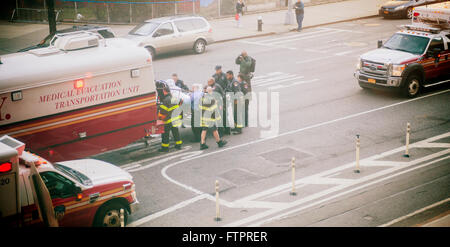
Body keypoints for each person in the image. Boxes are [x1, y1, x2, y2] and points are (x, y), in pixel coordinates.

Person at [158, 86, 183, 152]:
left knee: (165, 134)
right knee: (175, 132)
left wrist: (160, 118)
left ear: (164, 91)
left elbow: (163, 111)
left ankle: (165, 148)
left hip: (168, 120)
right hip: (175, 119)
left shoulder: (166, 100)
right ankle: (178, 145)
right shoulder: (174, 98)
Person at [235, 51, 253, 127]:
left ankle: (245, 122)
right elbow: (236, 62)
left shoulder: (248, 59)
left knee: (245, 109)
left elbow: (248, 65)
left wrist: (242, 60)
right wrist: (238, 57)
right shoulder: (240, 83)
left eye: (243, 54)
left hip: (246, 95)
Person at [213, 65, 229, 135]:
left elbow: (227, 85)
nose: (217, 71)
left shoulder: (225, 75)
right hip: (217, 97)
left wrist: (224, 92)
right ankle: (222, 130)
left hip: (223, 96)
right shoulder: (214, 76)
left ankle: (227, 129)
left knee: (224, 114)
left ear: (220, 69)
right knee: (220, 115)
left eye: (218, 69)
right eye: (216, 70)